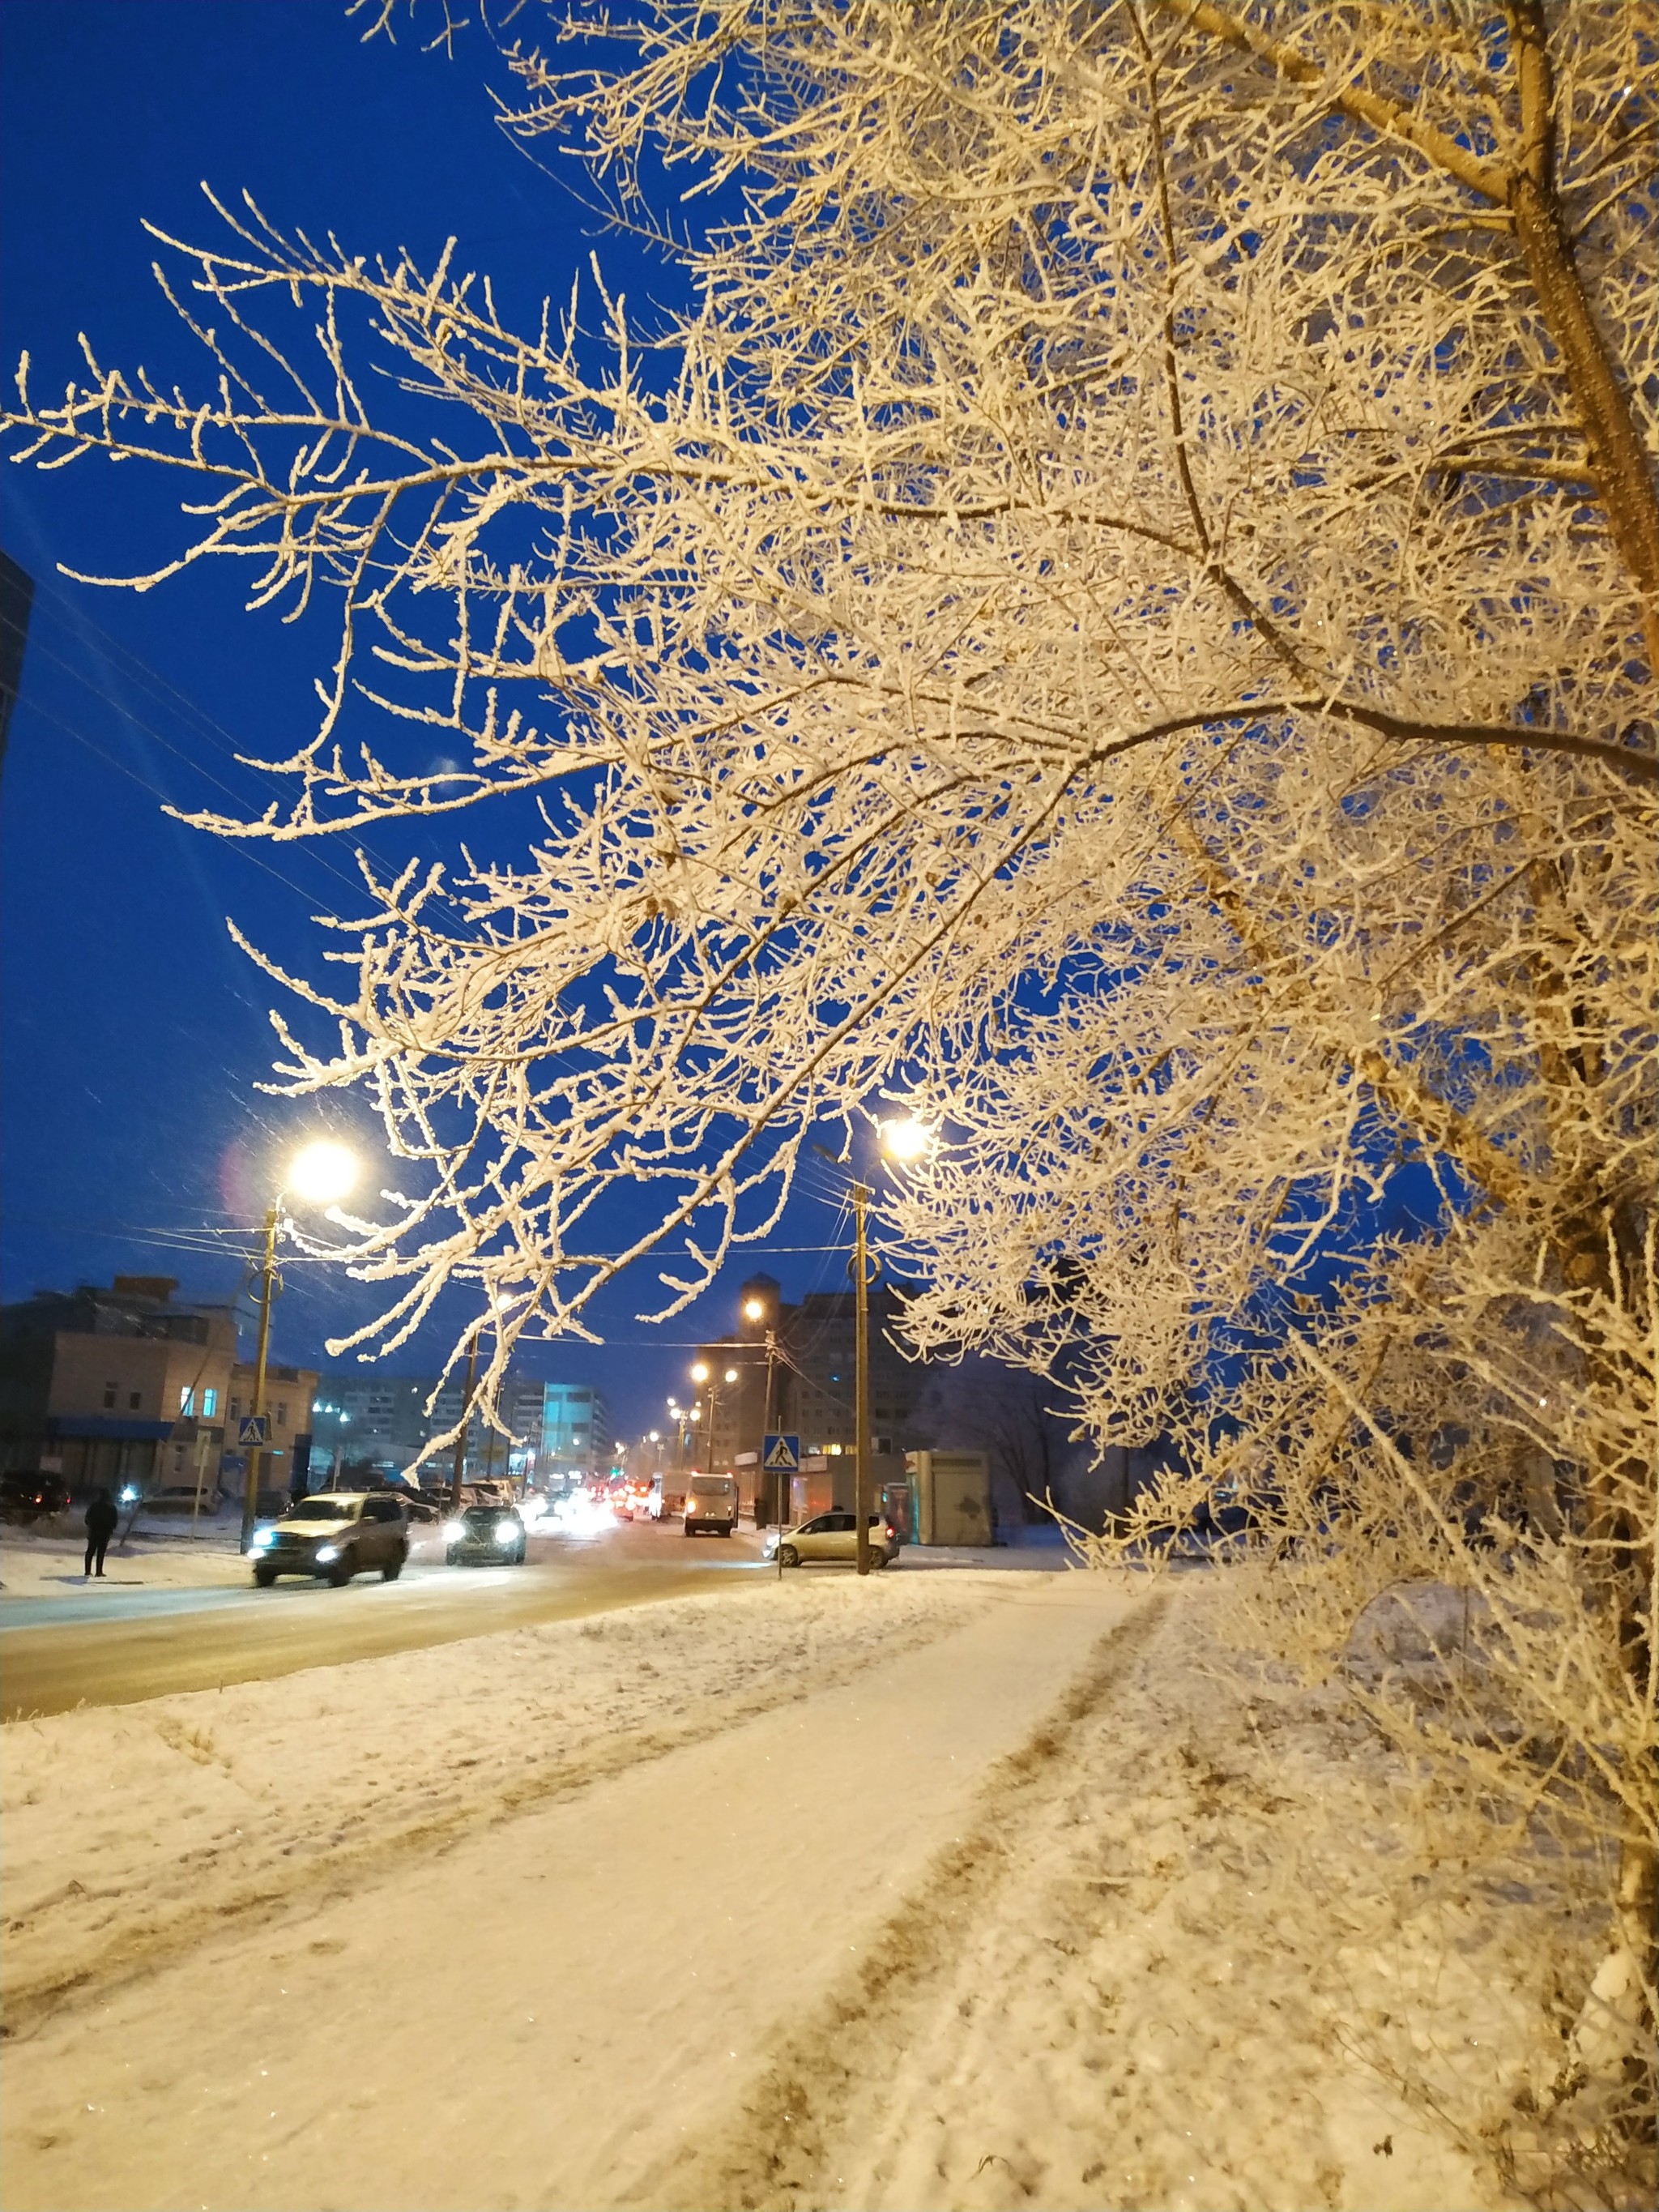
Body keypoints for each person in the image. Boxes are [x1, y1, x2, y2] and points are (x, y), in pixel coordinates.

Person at [83, 1486, 118, 1579]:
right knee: (101, 1553)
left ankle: (87, 1571)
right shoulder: (111, 1507)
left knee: (90, 1552)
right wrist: (110, 1529)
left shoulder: (94, 1506)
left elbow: (87, 1518)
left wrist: (91, 1526)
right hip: (105, 1533)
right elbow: (114, 1521)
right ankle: (99, 1571)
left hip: (94, 1532)